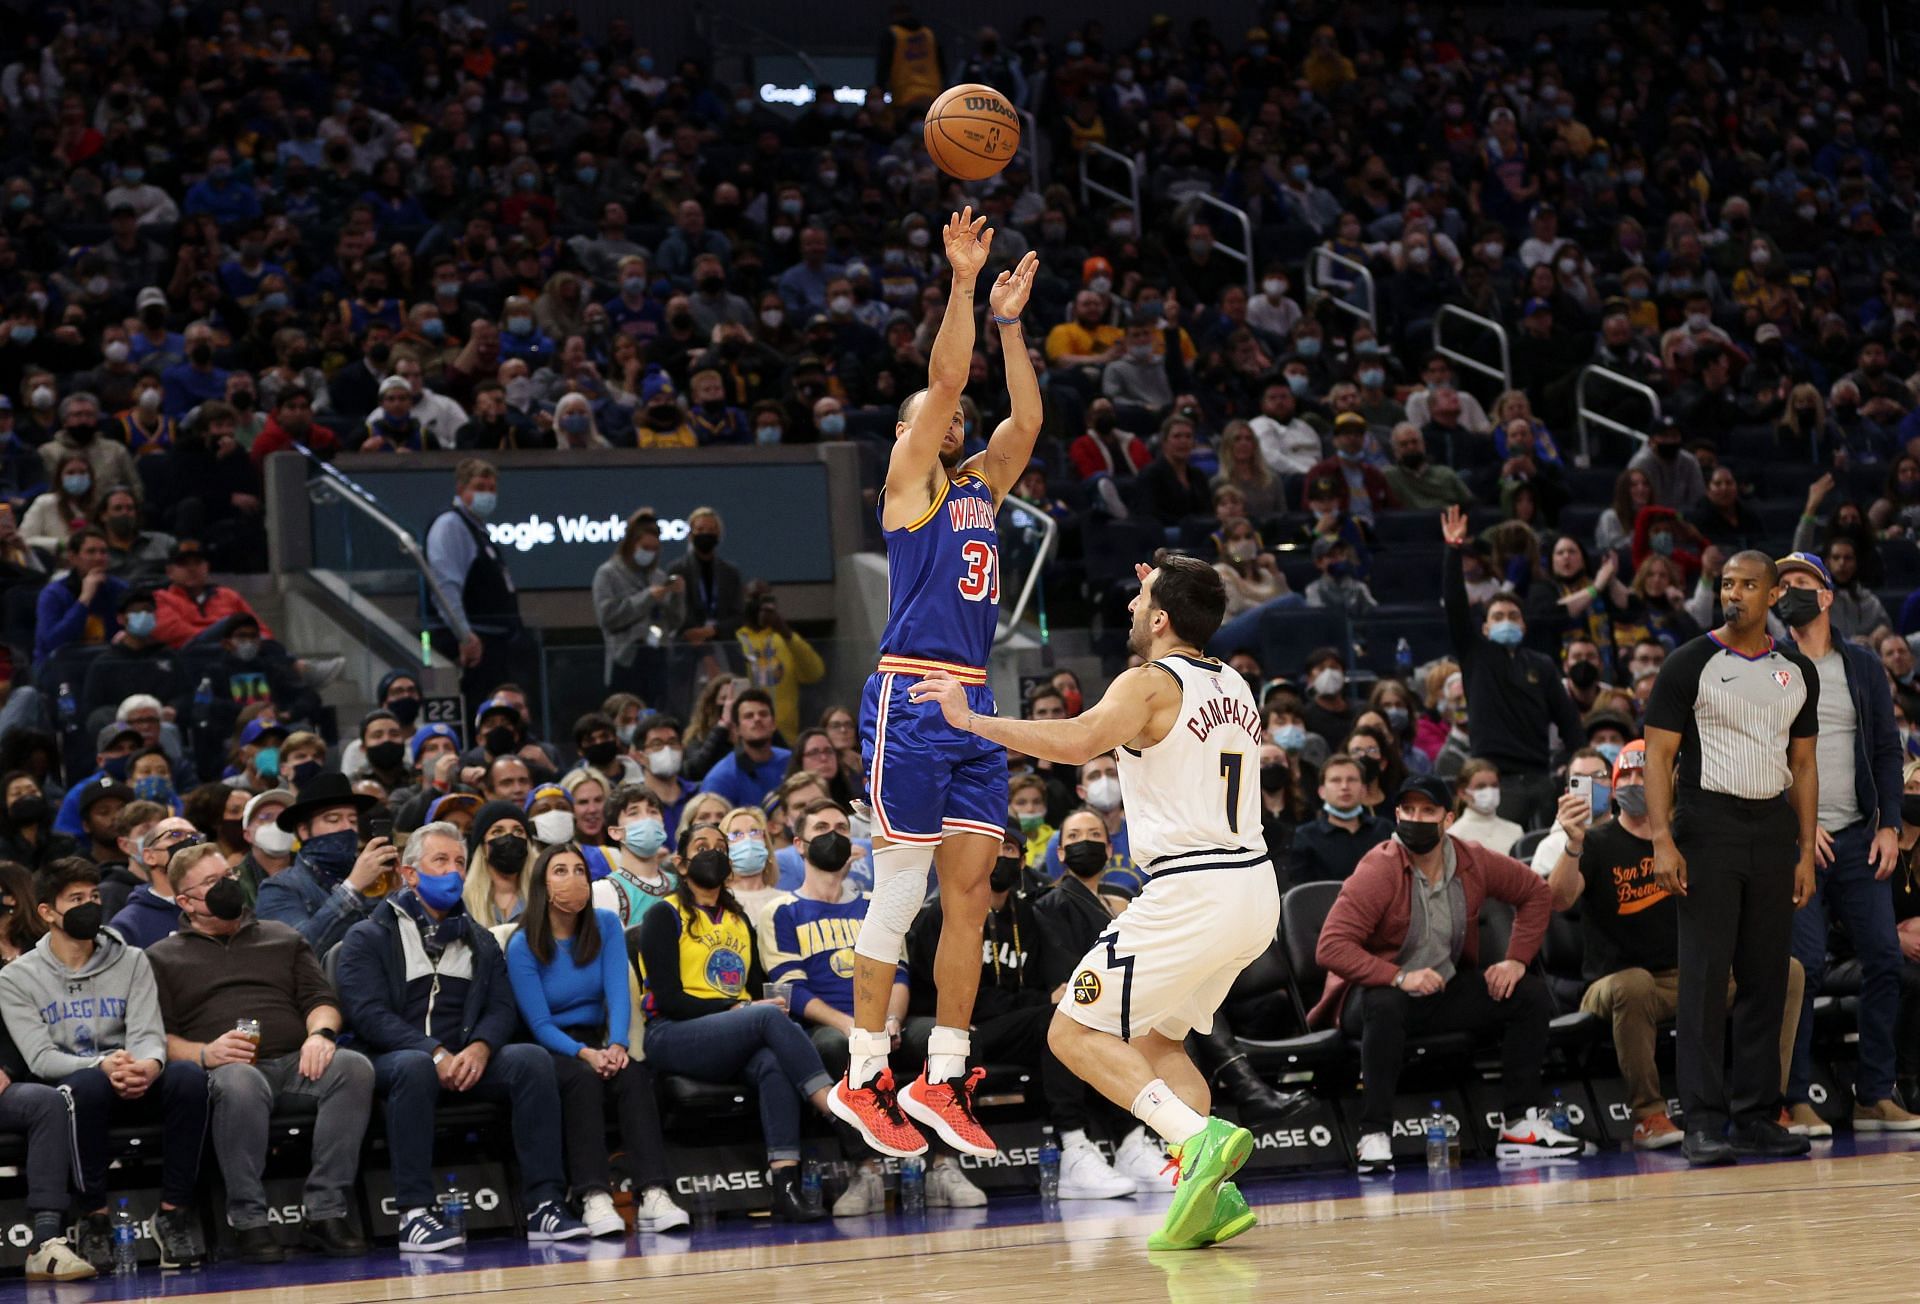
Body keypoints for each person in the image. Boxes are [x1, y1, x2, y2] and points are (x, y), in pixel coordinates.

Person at [910, 554, 1305, 1250]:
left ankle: (1198, 1139)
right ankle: (1207, 1196)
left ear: (1160, 619)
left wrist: (970, 719)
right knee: (1160, 1041)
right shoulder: (1234, 681)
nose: (1128, 606)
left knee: (1070, 1032)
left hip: (1193, 887)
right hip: (1251, 886)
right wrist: (1176, 581)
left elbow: (1078, 740)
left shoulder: (1149, 682)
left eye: (1140, 598)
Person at [832, 214, 1044, 1161]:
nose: (952, 420)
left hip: (974, 703)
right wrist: (962, 286)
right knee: (899, 892)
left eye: (957, 418)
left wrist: (1010, 326)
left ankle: (942, 1075)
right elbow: (948, 382)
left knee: (971, 897)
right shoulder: (909, 483)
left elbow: (1027, 421)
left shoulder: (981, 489)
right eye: (938, 412)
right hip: (913, 699)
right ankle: (862, 1074)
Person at [335, 822, 589, 1252]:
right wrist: (432, 1051)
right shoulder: (368, 936)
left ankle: (543, 1203)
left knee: (530, 1059)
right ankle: (414, 1213)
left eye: (458, 862)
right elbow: (368, 1014)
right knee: (414, 1068)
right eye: (440, 861)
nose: (452, 872)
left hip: (467, 1059)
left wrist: (481, 1046)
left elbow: (502, 1006)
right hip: (396, 1059)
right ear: (409, 873)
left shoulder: (480, 939)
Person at [1311, 774, 1581, 1175]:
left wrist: (1517, 960)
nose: (1416, 818)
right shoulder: (1379, 868)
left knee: (1529, 994)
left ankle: (1519, 1124)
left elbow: (1535, 893)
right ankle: (1374, 1133)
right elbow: (1330, 947)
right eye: (1408, 810)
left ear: (1448, 818)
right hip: (1371, 996)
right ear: (1397, 814)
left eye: (1428, 810)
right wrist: (1399, 976)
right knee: (1386, 1004)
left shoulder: (1472, 859)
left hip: (1441, 989)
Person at [1644, 550, 1819, 1166]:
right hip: (1707, 823)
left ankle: (1755, 1114)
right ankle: (1704, 1121)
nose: (1734, 593)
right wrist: (1663, 840)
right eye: (1726, 583)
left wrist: (1805, 848)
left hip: (1772, 826)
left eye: (1748, 584)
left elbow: (1803, 764)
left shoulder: (1796, 670)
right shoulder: (1689, 662)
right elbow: (1658, 757)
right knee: (1705, 978)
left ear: (1774, 596)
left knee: (1767, 977)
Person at [1546, 742, 1807, 1151]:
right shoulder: (1596, 842)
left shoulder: (1690, 838)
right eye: (1626, 777)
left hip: (1696, 974)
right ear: (1612, 789)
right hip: (1615, 983)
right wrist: (1572, 842)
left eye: (1642, 775)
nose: (1635, 783)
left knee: (1787, 970)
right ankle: (1649, 1114)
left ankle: (1764, 1104)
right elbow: (1558, 900)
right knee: (1633, 985)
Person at [146, 843, 373, 1262]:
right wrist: (204, 1053)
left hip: (295, 1060)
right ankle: (248, 1220)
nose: (228, 887)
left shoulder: (282, 937)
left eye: (229, 877)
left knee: (353, 1067)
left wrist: (320, 1035)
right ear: (185, 901)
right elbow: (156, 1035)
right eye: (213, 883)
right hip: (228, 1069)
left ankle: (326, 1212)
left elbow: (320, 999)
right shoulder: (161, 957)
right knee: (239, 1080)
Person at [1771, 552, 1920, 1134]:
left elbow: (1886, 749)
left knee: (1885, 959)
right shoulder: (1767, 665)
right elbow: (1762, 758)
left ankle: (1874, 1093)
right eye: (1780, 587)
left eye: (1800, 584)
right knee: (1803, 967)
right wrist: (1800, 825)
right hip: (1799, 842)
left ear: (1827, 596)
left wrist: (1886, 824)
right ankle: (1795, 1096)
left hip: (1859, 837)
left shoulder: (1859, 665)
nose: (1787, 594)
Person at [0, 856, 208, 1271]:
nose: (90, 905)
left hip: (135, 1074)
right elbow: (40, 1058)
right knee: (84, 1088)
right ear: (47, 912)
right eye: (75, 898)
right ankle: (93, 1219)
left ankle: (174, 1212)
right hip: (84, 1081)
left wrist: (149, 1065)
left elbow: (149, 1032)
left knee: (187, 1076)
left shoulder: (131, 959)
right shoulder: (17, 978)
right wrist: (103, 1065)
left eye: (94, 895)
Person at [633, 820, 835, 1221]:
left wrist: (767, 1008)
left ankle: (786, 1186)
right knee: (763, 1019)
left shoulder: (741, 920)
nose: (713, 853)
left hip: (732, 1033)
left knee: (775, 1061)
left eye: (720, 848)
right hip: (672, 1034)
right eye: (702, 847)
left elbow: (756, 988)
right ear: (681, 864)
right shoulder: (663, 915)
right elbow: (670, 1001)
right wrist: (739, 1012)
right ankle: (830, 1104)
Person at [505, 844, 689, 1236]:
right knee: (582, 1079)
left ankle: (654, 1192)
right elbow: (538, 1023)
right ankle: (592, 1195)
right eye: (560, 871)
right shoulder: (522, 944)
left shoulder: (605, 925)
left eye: (578, 870)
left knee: (634, 1076)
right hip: (552, 1045)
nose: (572, 879)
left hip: (601, 1036)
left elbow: (619, 994)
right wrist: (585, 1054)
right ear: (541, 884)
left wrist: (618, 1045)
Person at [1441, 506, 1587, 828]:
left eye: (1512, 616)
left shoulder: (1542, 665)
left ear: (1523, 626)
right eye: (1497, 617)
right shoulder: (1474, 654)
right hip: (1494, 779)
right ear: (1484, 627)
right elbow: (1454, 604)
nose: (1505, 622)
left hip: (1540, 776)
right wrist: (1453, 550)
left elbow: (1570, 724)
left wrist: (1575, 767)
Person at [254, 773, 398, 954]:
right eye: (333, 819)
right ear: (304, 831)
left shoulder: (376, 880)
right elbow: (297, 950)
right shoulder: (278, 888)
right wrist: (352, 888)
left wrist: (400, 895)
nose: (347, 827)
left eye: (353, 820)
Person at [424, 458, 522, 704]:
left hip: (494, 643)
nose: (487, 495)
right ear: (461, 490)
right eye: (479, 488)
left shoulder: (478, 529)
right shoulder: (450, 525)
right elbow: (445, 587)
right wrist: (464, 635)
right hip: (468, 646)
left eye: (491, 489)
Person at [1285, 754, 1392, 886]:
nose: (1344, 786)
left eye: (1352, 780)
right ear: (1321, 791)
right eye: (1336, 780)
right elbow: (1300, 893)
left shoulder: (1384, 830)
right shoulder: (1305, 837)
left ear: (1364, 790)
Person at [698, 688, 792, 809]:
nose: (757, 719)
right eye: (749, 716)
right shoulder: (720, 778)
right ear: (737, 729)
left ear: (774, 724)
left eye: (763, 714)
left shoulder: (791, 762)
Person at [1449, 760, 1525, 855]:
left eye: (1494, 786)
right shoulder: (1455, 836)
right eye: (1481, 787)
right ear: (1463, 793)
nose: (1489, 791)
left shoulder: (1516, 831)